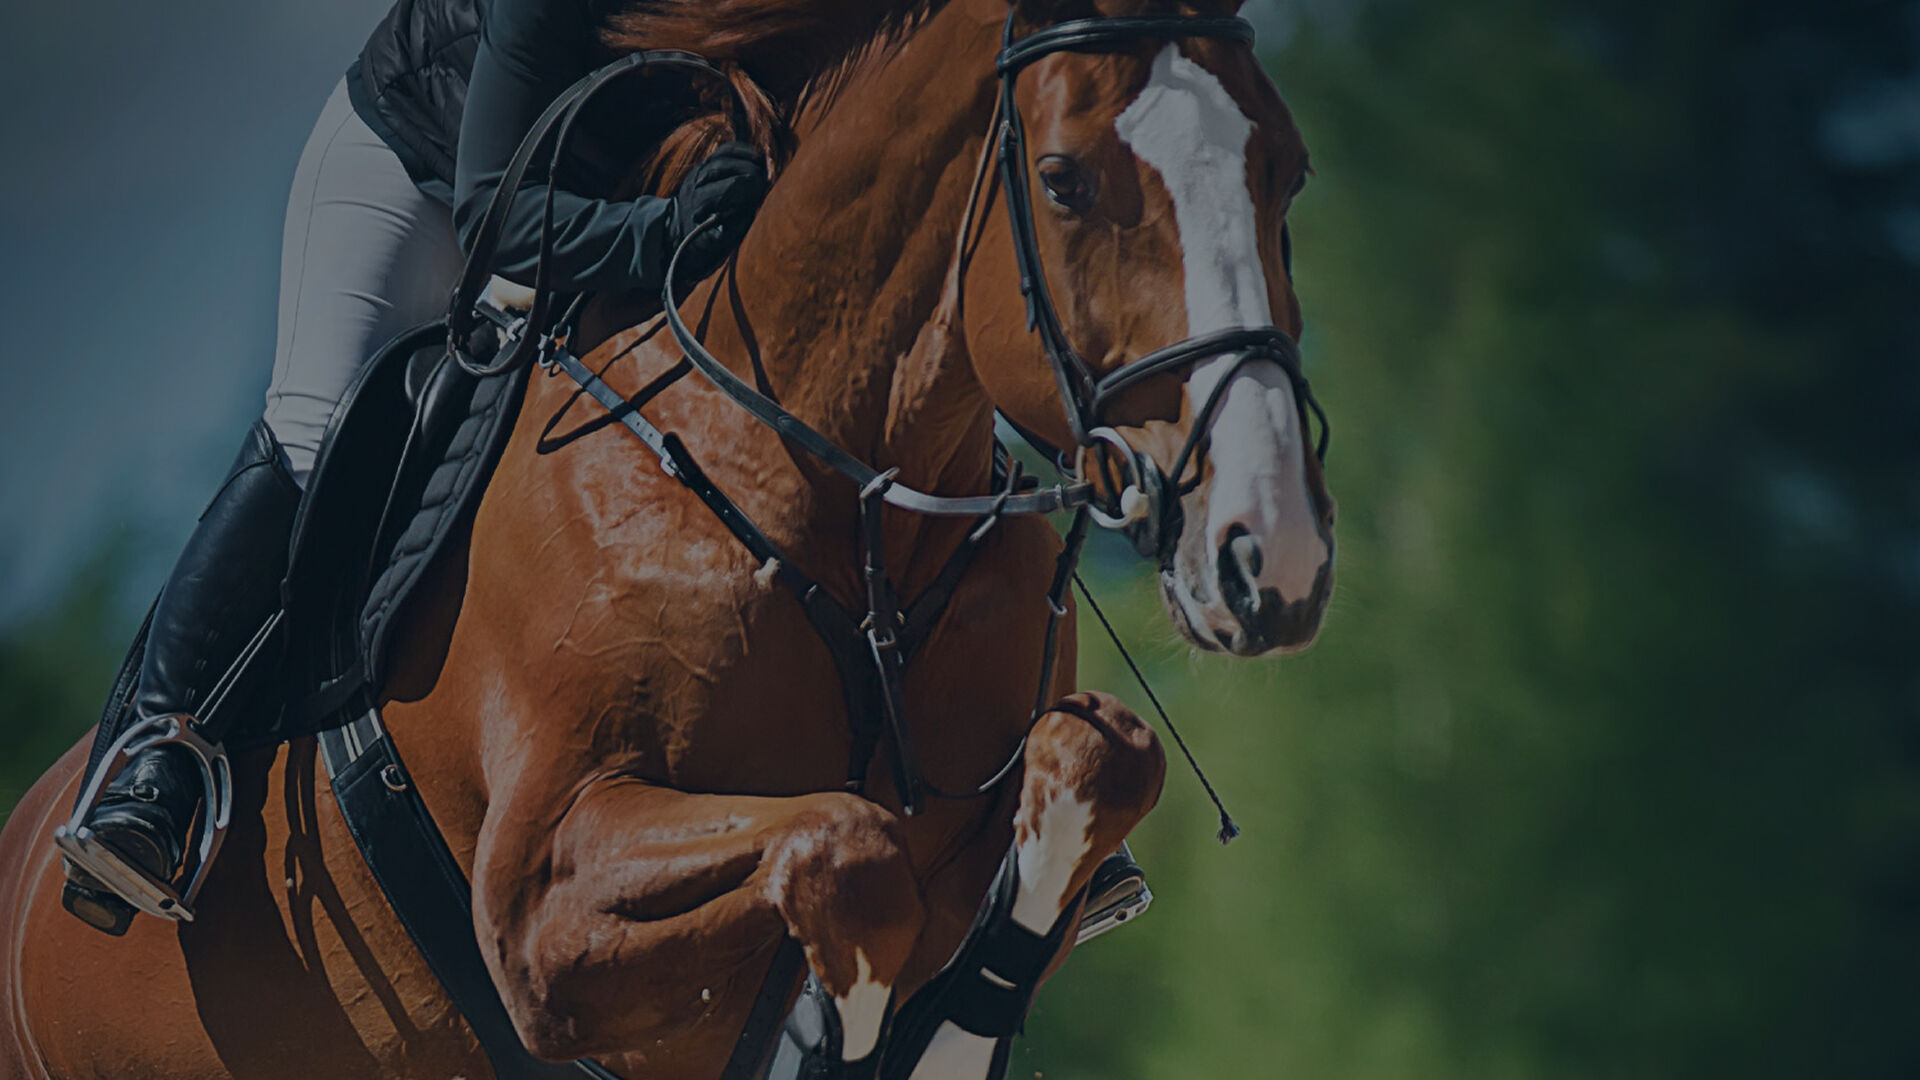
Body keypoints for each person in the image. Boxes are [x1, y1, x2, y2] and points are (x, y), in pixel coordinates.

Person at [61, 0, 770, 935]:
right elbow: (494, 219)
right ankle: (156, 760)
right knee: (315, 426)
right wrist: (663, 233)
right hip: (421, 173)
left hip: (594, 198)